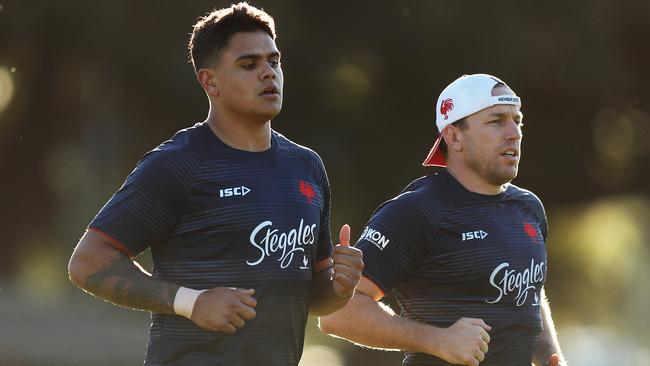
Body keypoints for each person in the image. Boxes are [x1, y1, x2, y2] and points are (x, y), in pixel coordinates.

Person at [67, 3, 363, 365]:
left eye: (274, 61)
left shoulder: (306, 166)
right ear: (210, 81)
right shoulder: (178, 163)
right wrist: (191, 302)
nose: (268, 74)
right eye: (249, 64)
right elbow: (86, 262)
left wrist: (340, 286)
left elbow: (315, 297)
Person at [319, 74, 567, 366]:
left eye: (517, 120)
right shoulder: (417, 210)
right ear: (454, 136)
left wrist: (552, 357)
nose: (514, 132)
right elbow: (336, 314)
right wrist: (439, 340)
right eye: (497, 121)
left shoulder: (528, 207)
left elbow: (529, 292)